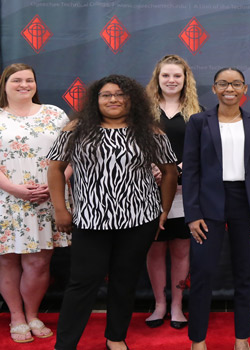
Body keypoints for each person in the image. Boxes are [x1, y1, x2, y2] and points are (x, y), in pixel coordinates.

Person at [47, 74, 178, 350]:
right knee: (82, 282)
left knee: (125, 280)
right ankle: (65, 344)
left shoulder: (150, 131)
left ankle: (116, 337)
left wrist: (163, 211)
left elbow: (169, 172)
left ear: (132, 100)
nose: (114, 99)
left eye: (121, 94)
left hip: (139, 220)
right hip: (90, 220)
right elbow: (56, 168)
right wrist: (61, 208)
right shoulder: (76, 128)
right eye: (106, 95)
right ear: (96, 99)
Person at [183, 67, 250, 350]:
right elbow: (191, 171)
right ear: (214, 89)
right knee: (202, 272)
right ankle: (198, 340)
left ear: (245, 89)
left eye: (236, 83)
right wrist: (193, 213)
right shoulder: (199, 122)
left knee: (246, 273)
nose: (229, 88)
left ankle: (242, 338)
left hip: (245, 203)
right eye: (223, 83)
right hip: (208, 201)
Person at [0, 63, 70, 343]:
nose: (24, 85)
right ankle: (15, 317)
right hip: (6, 199)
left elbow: (72, 154)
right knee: (7, 261)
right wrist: (15, 189)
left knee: (39, 263)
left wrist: (56, 185)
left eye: (29, 80)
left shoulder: (55, 114)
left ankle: (32, 314)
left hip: (48, 199)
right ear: (4, 85)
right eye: (17, 80)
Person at [144, 54, 203, 330]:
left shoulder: (197, 111)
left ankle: (178, 305)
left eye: (177, 76)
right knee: (154, 250)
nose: (171, 80)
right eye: (166, 75)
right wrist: (152, 167)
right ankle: (160, 304)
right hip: (148, 191)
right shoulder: (142, 110)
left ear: (185, 79)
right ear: (157, 78)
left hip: (185, 192)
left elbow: (205, 150)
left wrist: (177, 168)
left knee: (181, 250)